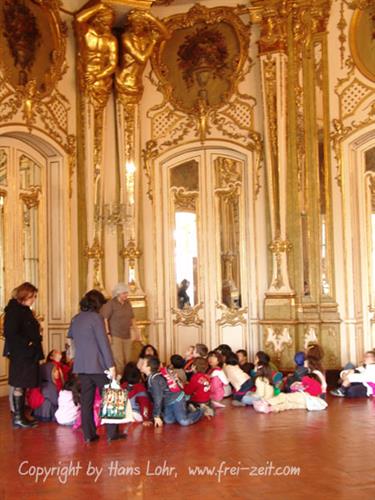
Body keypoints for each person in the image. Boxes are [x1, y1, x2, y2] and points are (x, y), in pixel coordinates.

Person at [68, 289, 125, 442]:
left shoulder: (76, 319)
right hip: (99, 366)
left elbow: (71, 340)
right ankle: (112, 433)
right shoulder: (96, 318)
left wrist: (75, 359)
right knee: (110, 398)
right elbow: (103, 343)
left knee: (86, 401)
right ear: (97, 304)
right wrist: (111, 365)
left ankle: (88, 435)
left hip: (81, 366)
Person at [3, 282, 44, 428]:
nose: (34, 299)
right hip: (22, 355)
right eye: (32, 296)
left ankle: (20, 417)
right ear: (24, 295)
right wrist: (29, 343)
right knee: (20, 385)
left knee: (23, 384)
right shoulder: (15, 311)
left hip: (27, 354)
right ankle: (18, 418)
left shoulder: (24, 310)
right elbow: (11, 333)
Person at [116, 10, 169, 102]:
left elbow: (166, 35)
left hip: (137, 80)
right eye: (134, 24)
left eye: (140, 25)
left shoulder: (146, 37)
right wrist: (153, 42)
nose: (136, 27)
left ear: (144, 26)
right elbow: (141, 58)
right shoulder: (126, 37)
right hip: (125, 79)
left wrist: (151, 18)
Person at [141, 356, 203, 427]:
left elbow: (158, 399)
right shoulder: (151, 377)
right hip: (168, 401)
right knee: (169, 420)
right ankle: (186, 410)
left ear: (149, 367)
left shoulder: (155, 380)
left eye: (143, 364)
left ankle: (201, 410)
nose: (141, 365)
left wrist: (156, 416)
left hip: (177, 398)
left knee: (184, 421)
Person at [75, 2, 118, 104]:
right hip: (86, 74)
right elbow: (78, 19)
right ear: (97, 20)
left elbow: (112, 64)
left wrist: (97, 76)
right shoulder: (86, 32)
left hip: (101, 78)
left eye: (110, 24)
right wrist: (98, 7)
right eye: (105, 24)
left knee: (99, 107)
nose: (108, 28)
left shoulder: (111, 40)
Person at [101, 283, 138, 376]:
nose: (126, 295)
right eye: (124, 293)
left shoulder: (128, 303)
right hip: (115, 335)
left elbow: (132, 318)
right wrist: (108, 333)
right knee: (119, 360)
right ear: (118, 293)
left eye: (126, 293)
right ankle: (119, 381)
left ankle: (127, 380)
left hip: (127, 335)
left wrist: (136, 331)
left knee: (128, 359)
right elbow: (105, 319)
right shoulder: (111, 304)